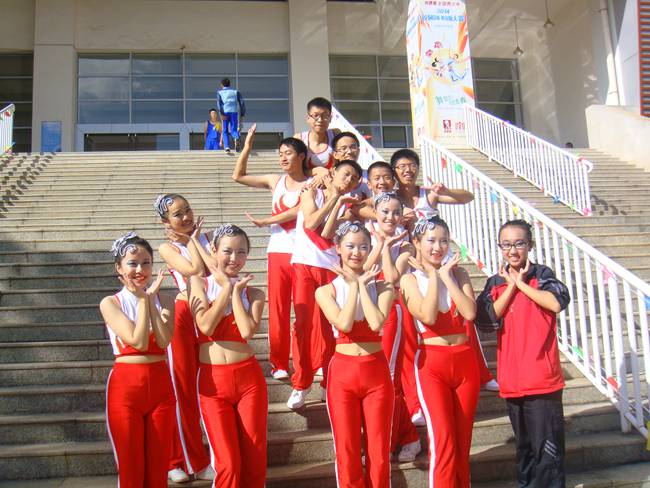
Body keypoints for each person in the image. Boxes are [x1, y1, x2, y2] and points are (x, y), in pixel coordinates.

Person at [476, 219, 570, 488]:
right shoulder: (495, 282)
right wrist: (511, 286)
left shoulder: (543, 275)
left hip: (542, 380)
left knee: (547, 452)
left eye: (519, 243)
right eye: (506, 245)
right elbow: (486, 319)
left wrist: (521, 284)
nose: (512, 250)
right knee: (525, 449)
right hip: (513, 382)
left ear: (530, 245)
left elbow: (556, 302)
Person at [400, 217, 480, 487]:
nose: (438, 247)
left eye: (444, 241)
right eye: (431, 240)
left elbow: (469, 312)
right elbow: (428, 316)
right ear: (417, 242)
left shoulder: (460, 274)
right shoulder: (410, 279)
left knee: (463, 441)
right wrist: (434, 276)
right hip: (432, 365)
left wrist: (446, 275)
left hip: (465, 363)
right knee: (443, 440)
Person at [315, 221, 395, 488]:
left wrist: (361, 286)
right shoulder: (325, 291)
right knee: (347, 449)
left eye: (363, 247)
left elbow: (376, 323)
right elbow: (344, 324)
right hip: (343, 374)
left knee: (379, 450)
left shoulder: (383, 288)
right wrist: (352, 287)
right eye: (350, 246)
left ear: (370, 250)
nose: (356, 253)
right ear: (338, 248)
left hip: (376, 372)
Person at [189, 224, 268, 488]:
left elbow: (246, 331)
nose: (234, 258)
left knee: (254, 455)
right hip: (213, 383)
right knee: (228, 463)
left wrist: (235, 291)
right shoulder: (199, 283)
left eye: (241, 252)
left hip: (249, 381)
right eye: (227, 251)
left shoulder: (254, 293)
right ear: (213, 250)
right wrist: (225, 289)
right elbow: (206, 326)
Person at [231, 123, 310, 380]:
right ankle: (279, 363)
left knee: (303, 312)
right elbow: (238, 176)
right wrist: (247, 146)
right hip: (278, 251)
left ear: (301, 156)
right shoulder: (275, 181)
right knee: (278, 309)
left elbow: (300, 210)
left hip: (304, 253)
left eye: (288, 153)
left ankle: (305, 362)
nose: (283, 158)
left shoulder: (313, 184)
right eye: (280, 153)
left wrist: (267, 221)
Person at [100, 233, 176, 488]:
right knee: (131, 467)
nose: (140, 270)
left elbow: (163, 341)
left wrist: (151, 302)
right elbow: (139, 341)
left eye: (146, 263)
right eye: (132, 263)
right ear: (118, 268)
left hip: (160, 386)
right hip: (126, 389)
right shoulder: (111, 303)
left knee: (158, 468)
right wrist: (144, 300)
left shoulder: (165, 299)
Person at [287, 160, 363, 409]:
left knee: (330, 328)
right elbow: (310, 223)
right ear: (333, 173)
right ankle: (301, 383)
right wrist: (334, 198)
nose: (348, 180)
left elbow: (327, 233)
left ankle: (328, 382)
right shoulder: (311, 192)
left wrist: (341, 202)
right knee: (303, 325)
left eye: (354, 178)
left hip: (331, 268)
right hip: (305, 264)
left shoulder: (350, 208)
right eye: (345, 174)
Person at [154, 194, 214, 483]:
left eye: (187, 210)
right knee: (182, 391)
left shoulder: (208, 238)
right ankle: (177, 461)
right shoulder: (167, 247)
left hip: (211, 314)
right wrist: (191, 241)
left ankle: (206, 456)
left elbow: (217, 269)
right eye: (178, 214)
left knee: (208, 388)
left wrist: (197, 240)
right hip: (183, 317)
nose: (186, 217)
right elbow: (195, 271)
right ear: (165, 222)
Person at [364, 192, 422, 462]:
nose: (390, 217)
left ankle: (391, 441)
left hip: (391, 312)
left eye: (396, 212)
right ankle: (403, 436)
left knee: (388, 378)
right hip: (364, 310)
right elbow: (360, 270)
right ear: (375, 212)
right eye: (385, 211)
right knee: (372, 379)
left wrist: (387, 247)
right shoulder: (363, 236)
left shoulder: (407, 245)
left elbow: (391, 277)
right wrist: (378, 244)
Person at [294, 97, 340, 173]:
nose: (320, 120)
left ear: (330, 118)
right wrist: (317, 172)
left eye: (325, 116)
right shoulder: (299, 139)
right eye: (316, 115)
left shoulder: (336, 134)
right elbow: (295, 170)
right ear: (308, 118)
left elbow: (345, 163)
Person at [217, 78, 246, 154]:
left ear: (221, 85)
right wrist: (242, 114)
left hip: (225, 112)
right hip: (234, 112)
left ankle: (227, 147)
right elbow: (242, 104)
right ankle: (236, 138)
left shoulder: (220, 93)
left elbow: (219, 104)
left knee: (225, 130)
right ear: (230, 84)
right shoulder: (236, 92)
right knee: (234, 130)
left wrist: (222, 114)